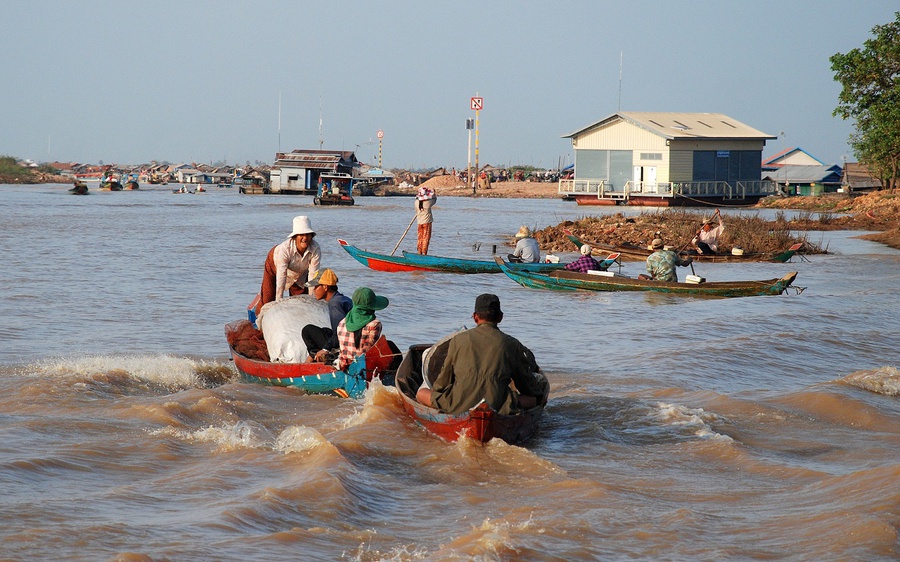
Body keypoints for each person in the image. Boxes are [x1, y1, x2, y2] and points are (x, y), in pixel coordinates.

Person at [416, 294, 548, 415]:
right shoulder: (512, 344)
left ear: (475, 317)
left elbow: (443, 380)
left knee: (421, 393)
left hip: (458, 404)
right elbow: (525, 383)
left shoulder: (458, 340)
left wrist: (437, 391)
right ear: (500, 317)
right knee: (532, 400)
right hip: (499, 405)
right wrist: (538, 397)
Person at [256, 215, 321, 314]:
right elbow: (281, 276)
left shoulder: (315, 248)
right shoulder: (285, 249)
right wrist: (278, 302)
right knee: (268, 297)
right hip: (274, 265)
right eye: (301, 235)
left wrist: (312, 300)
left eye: (308, 235)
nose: (305, 238)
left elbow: (313, 275)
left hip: (299, 272)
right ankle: (260, 320)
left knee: (301, 302)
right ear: (295, 237)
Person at [301, 269, 353, 363]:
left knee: (308, 330)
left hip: (345, 345)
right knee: (325, 330)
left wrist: (325, 349)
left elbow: (340, 332)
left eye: (316, 287)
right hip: (350, 340)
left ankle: (322, 358)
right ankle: (313, 358)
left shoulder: (335, 303)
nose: (314, 290)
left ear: (325, 287)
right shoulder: (342, 299)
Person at [335, 287, 389, 371]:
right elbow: (372, 349)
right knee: (390, 345)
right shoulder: (375, 325)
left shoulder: (342, 322)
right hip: (364, 366)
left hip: (345, 365)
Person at [415, 185, 437, 255]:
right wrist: (434, 193)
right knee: (426, 238)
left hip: (419, 222)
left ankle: (419, 252)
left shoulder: (416, 203)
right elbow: (434, 199)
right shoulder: (428, 203)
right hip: (426, 223)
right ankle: (424, 253)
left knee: (420, 238)